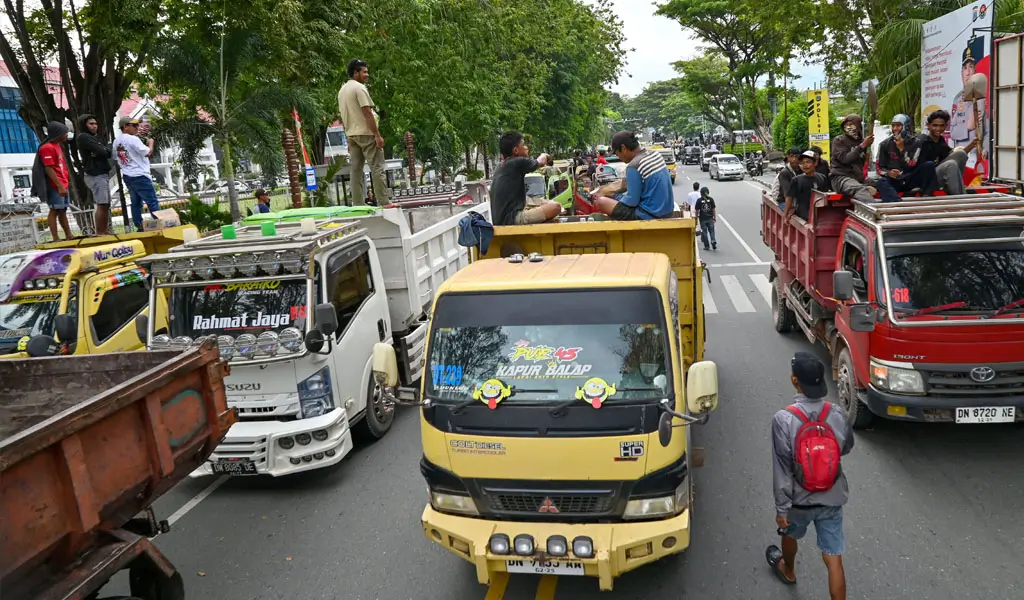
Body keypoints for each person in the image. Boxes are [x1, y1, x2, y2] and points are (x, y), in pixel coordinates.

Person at [766, 352, 854, 600]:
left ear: (795, 381)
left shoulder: (783, 419)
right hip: (831, 497)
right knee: (833, 557)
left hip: (799, 500)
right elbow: (845, 447)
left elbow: (782, 470)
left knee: (790, 534)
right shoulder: (836, 413)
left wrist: (782, 509)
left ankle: (789, 570)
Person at [593, 131, 675, 221]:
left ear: (623, 148)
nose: (618, 156)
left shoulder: (634, 166)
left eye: (617, 153)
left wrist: (615, 196)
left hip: (649, 215)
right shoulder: (655, 154)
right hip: (667, 212)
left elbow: (632, 201)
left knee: (601, 202)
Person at [338, 59, 388, 205]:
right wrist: (377, 135)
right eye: (364, 72)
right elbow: (367, 113)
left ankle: (357, 204)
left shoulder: (342, 91)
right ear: (355, 72)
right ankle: (385, 201)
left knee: (356, 170)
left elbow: (343, 115)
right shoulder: (359, 88)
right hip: (366, 133)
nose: (367, 75)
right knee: (377, 167)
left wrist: (347, 136)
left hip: (351, 134)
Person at [489, 131, 560, 226]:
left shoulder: (501, 166)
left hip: (500, 219)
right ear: (515, 151)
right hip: (511, 219)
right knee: (556, 207)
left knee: (542, 202)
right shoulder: (518, 162)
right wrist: (545, 155)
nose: (526, 147)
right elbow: (541, 161)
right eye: (523, 145)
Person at [874, 114, 938, 203]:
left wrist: (902, 149)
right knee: (881, 182)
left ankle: (926, 195)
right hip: (895, 180)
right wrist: (889, 173)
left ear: (906, 126)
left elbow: (912, 164)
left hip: (910, 177)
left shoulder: (916, 142)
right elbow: (878, 168)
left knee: (929, 165)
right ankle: (896, 203)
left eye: (898, 125)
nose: (895, 129)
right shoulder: (884, 144)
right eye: (893, 126)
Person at [113, 117, 160, 232]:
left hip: (128, 175)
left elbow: (116, 157)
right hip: (140, 174)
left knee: (136, 202)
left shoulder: (116, 141)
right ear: (125, 126)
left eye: (137, 126)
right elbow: (148, 152)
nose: (137, 128)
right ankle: (160, 223)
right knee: (152, 201)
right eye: (134, 126)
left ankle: (139, 226)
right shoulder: (132, 139)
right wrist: (151, 143)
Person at [32, 121, 73, 240]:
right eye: (65, 132)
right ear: (58, 133)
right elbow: (48, 168)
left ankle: (69, 235)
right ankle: (55, 237)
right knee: (54, 210)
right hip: (55, 185)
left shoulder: (57, 145)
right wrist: (59, 185)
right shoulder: (47, 148)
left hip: (63, 183)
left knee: (63, 210)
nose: (67, 134)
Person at [950, 35, 986, 170]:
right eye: (965, 68)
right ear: (961, 72)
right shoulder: (957, 99)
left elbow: (987, 130)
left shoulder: (983, 99)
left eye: (971, 67)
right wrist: (967, 127)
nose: (968, 72)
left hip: (979, 157)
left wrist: (986, 150)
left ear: (976, 71)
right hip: (962, 153)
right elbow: (953, 132)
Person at [76, 114, 112, 235]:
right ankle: (101, 232)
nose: (94, 126)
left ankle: (104, 230)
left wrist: (103, 150)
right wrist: (102, 150)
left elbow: (106, 152)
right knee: (102, 203)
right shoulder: (84, 137)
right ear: (84, 125)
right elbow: (103, 151)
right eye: (91, 124)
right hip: (95, 174)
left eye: (95, 124)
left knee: (106, 204)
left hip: (102, 173)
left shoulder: (94, 138)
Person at [917, 110, 968, 196]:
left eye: (941, 126)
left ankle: (956, 184)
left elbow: (950, 155)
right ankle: (959, 197)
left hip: (937, 174)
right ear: (928, 126)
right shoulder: (922, 140)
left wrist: (972, 145)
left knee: (961, 154)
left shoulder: (941, 140)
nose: (938, 129)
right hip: (925, 179)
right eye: (935, 125)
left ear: (945, 126)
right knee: (950, 164)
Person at [830, 114, 876, 202]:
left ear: (858, 125)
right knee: (860, 190)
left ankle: (893, 210)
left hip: (857, 179)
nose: (848, 127)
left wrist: (866, 147)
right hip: (841, 178)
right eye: (846, 125)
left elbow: (863, 163)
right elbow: (845, 159)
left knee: (883, 183)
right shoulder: (839, 140)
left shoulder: (862, 142)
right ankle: (874, 212)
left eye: (851, 124)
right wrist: (862, 146)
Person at [785, 151, 828, 221]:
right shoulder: (796, 180)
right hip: (802, 217)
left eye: (808, 162)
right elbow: (789, 198)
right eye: (803, 163)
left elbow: (825, 195)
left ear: (815, 163)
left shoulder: (822, 178)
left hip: (820, 216)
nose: (805, 165)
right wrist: (785, 215)